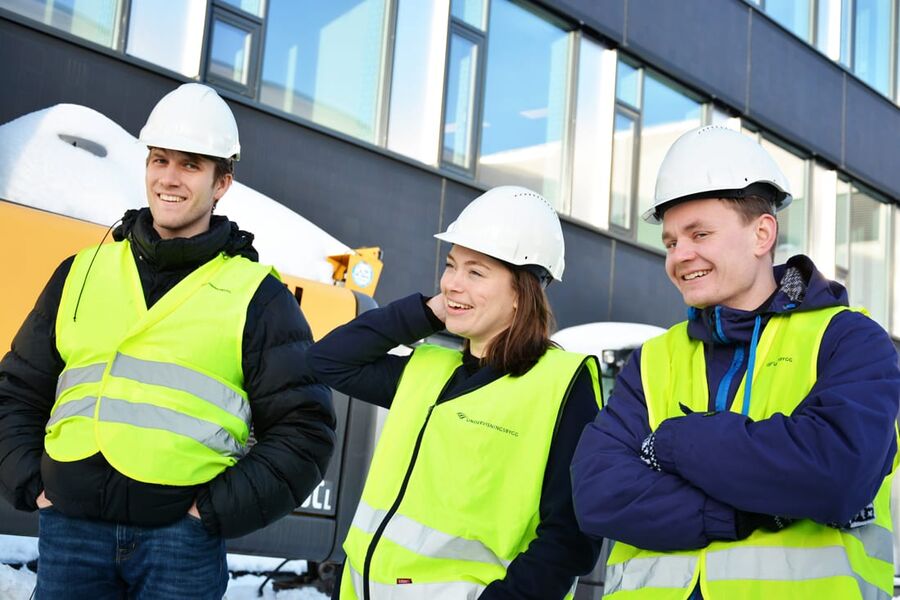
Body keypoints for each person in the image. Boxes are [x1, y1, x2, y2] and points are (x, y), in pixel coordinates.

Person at [0, 83, 336, 599]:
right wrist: (33, 482)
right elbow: (16, 390)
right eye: (160, 160)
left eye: (190, 165)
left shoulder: (259, 297)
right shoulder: (81, 272)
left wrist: (213, 511)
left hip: (180, 543)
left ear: (222, 182)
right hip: (71, 531)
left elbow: (304, 429)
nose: (169, 178)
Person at [570, 125, 900, 599]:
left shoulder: (848, 338)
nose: (680, 256)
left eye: (699, 234)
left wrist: (674, 443)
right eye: (670, 242)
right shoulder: (653, 359)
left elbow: (836, 475)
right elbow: (598, 493)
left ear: (762, 233)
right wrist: (739, 511)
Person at [306, 185, 603, 599]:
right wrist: (428, 311)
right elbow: (328, 361)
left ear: (522, 292)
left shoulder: (562, 385)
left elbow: (569, 538)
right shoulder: (427, 369)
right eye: (451, 266)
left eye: (475, 272)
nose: (451, 283)